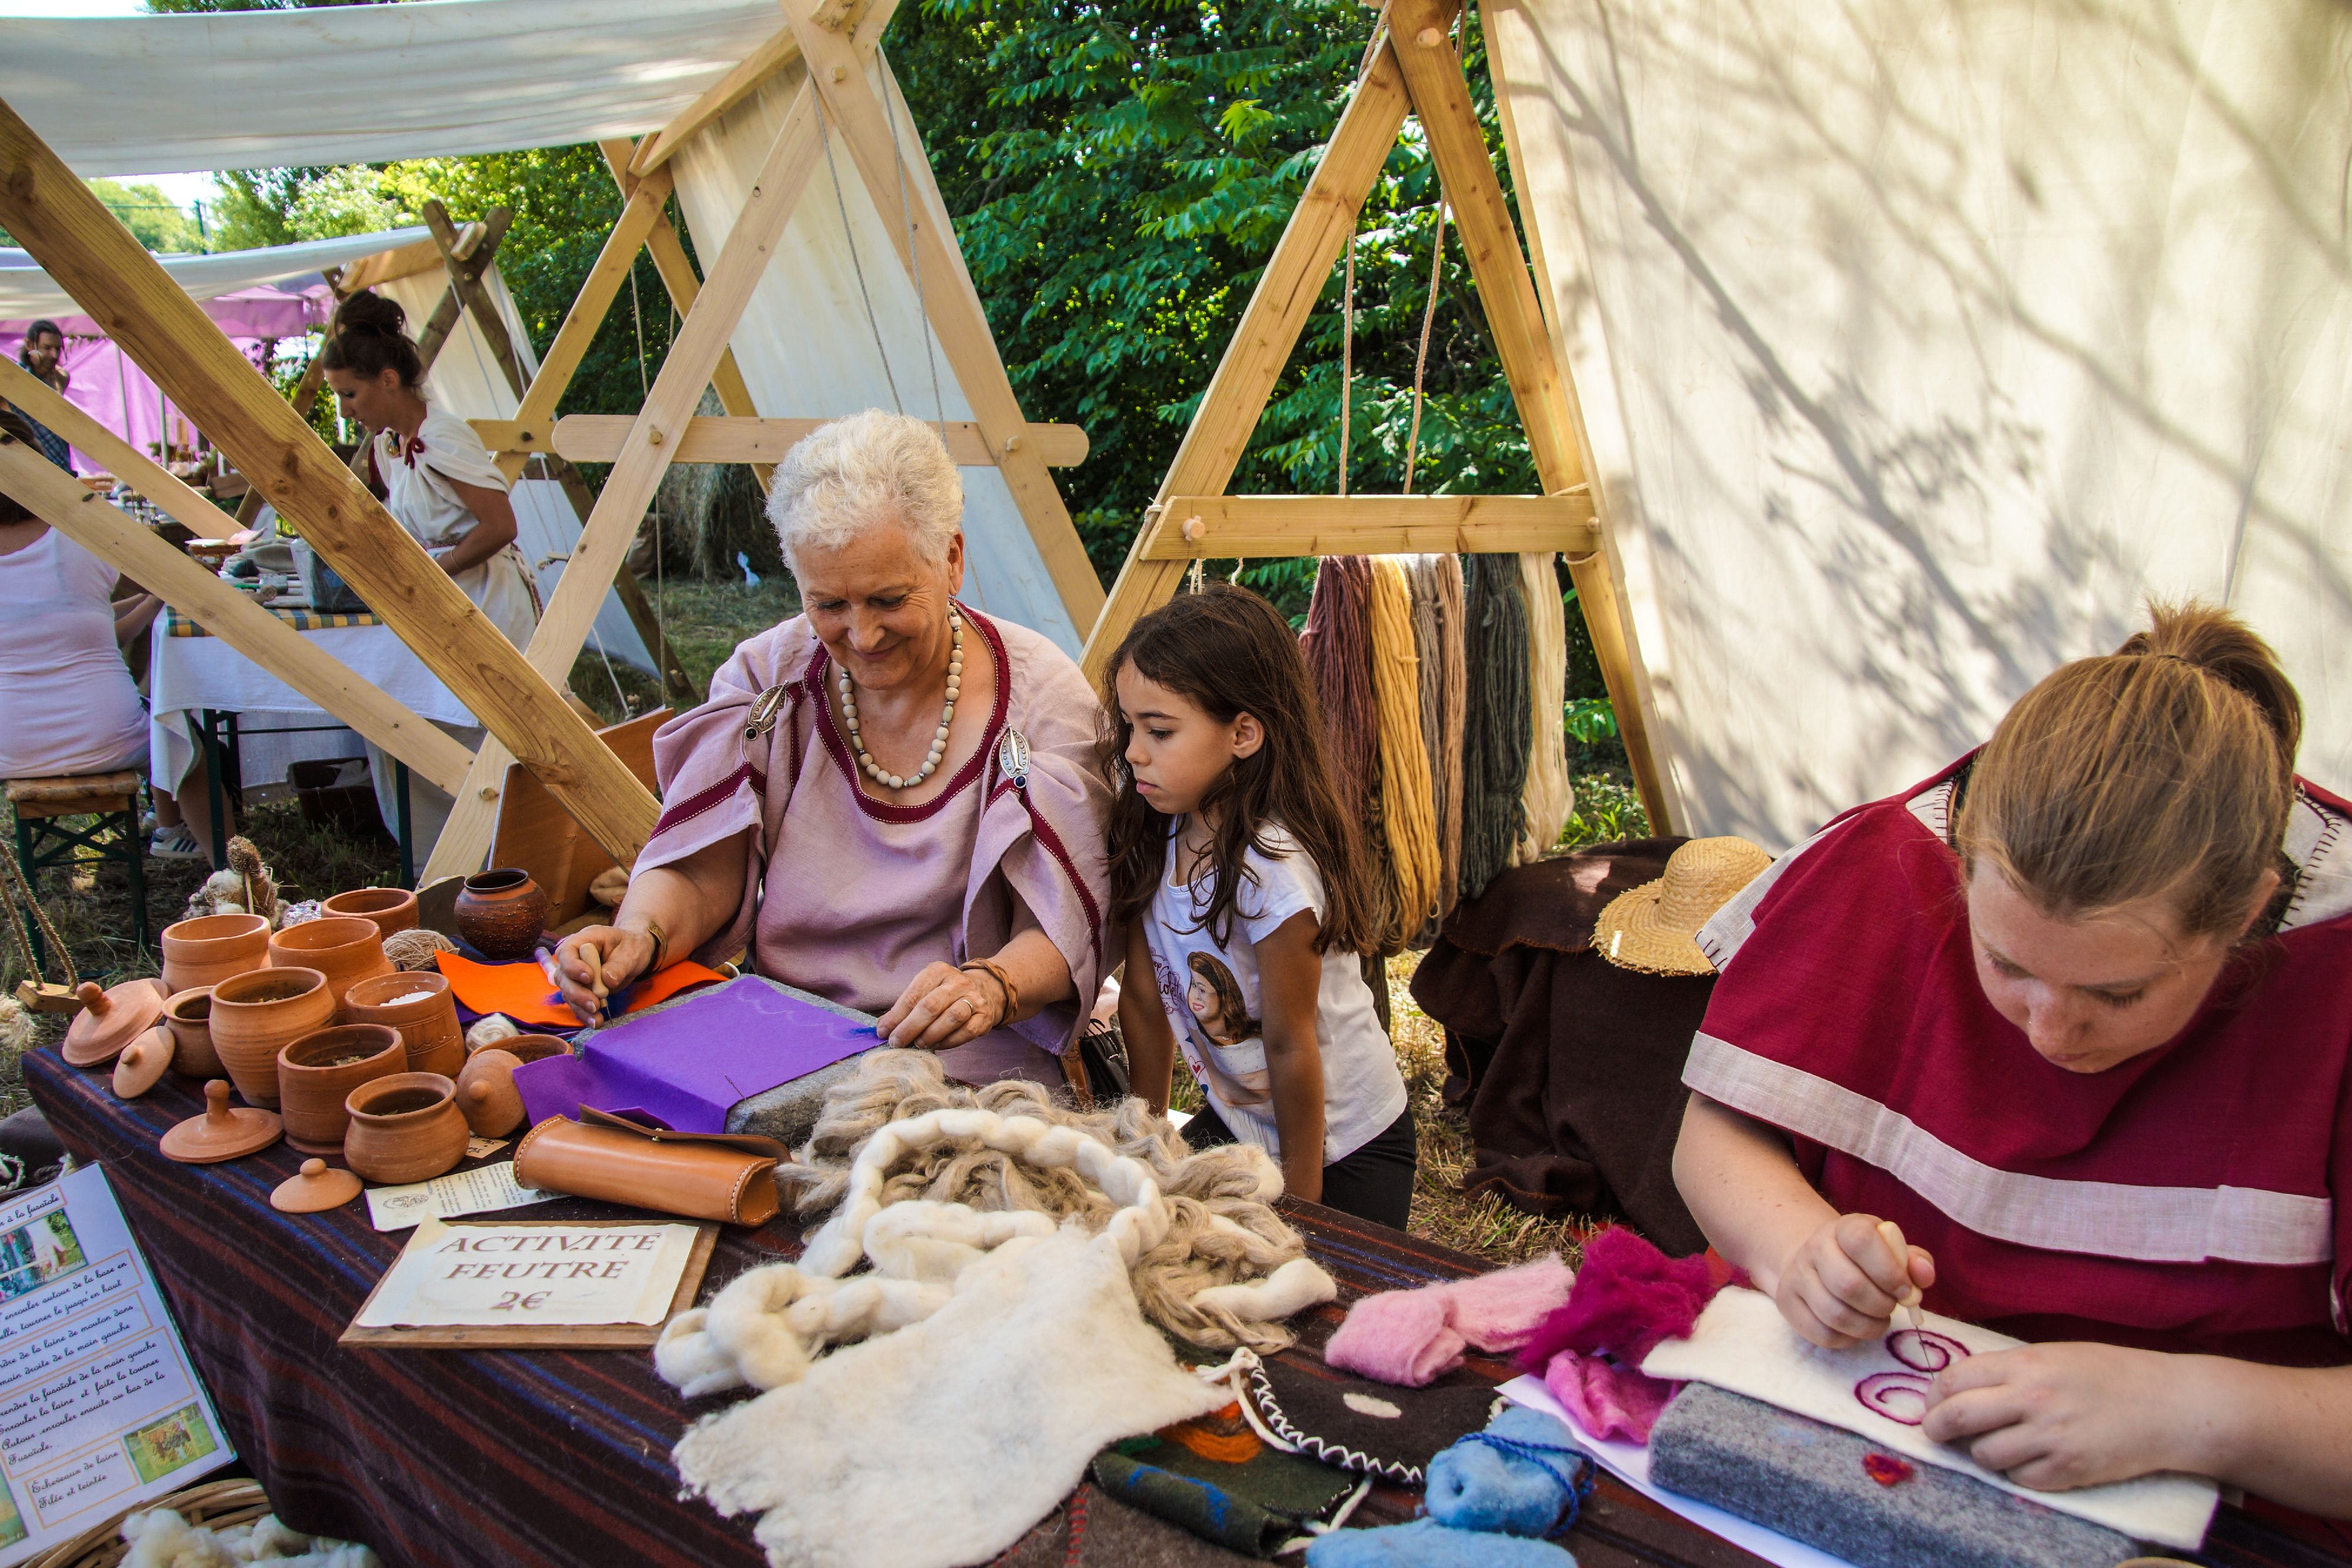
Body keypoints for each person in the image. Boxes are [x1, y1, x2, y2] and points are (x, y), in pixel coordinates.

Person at [1671, 603, 2352, 1516]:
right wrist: (1795, 1245)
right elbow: (1717, 1130)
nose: (2049, 1031)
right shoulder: (1887, 863)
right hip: (1857, 1444)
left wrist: (2192, 1411)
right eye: (2003, 963)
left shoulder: (2333, 971)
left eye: (2117, 993)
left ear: (2244, 912)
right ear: (1960, 869)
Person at [552, 411, 1112, 1086]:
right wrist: (641, 934)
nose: (863, 635)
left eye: (887, 598)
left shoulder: (1041, 702)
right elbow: (705, 870)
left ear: (953, 558)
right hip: (786, 1036)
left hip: (968, 1055)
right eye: (829, 605)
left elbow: (1069, 922)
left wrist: (992, 985)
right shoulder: (767, 683)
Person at [1103, 584, 1416, 1228]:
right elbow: (1141, 995)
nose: (1134, 750)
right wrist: (1145, 1137)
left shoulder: (1272, 869)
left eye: (1159, 730)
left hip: (1345, 1139)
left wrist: (1301, 1205)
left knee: (1332, 1299)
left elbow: (1290, 1042)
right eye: (1129, 725)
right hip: (1245, 1117)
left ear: (1243, 732)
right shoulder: (1154, 826)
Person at [319, 292, 539, 849]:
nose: (345, 408)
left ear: (388, 380)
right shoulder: (391, 445)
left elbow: (499, 524)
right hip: (439, 597)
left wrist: (439, 569)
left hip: (484, 597)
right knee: (422, 721)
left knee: (485, 726)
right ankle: (441, 853)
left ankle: (504, 852)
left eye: (350, 393)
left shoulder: (442, 437)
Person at [0, 405, 213, 859]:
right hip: (108, 733)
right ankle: (183, 839)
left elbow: (74, 626)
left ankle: (167, 828)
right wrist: (156, 597)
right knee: (182, 739)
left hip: (10, 744)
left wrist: (151, 601)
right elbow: (89, 629)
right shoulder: (79, 537)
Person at [5, 322, 76, 475]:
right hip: (33, 468)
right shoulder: (14, 378)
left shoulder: (60, 378)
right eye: (47, 348)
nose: (54, 356)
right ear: (30, 345)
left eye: (57, 349)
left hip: (62, 464)